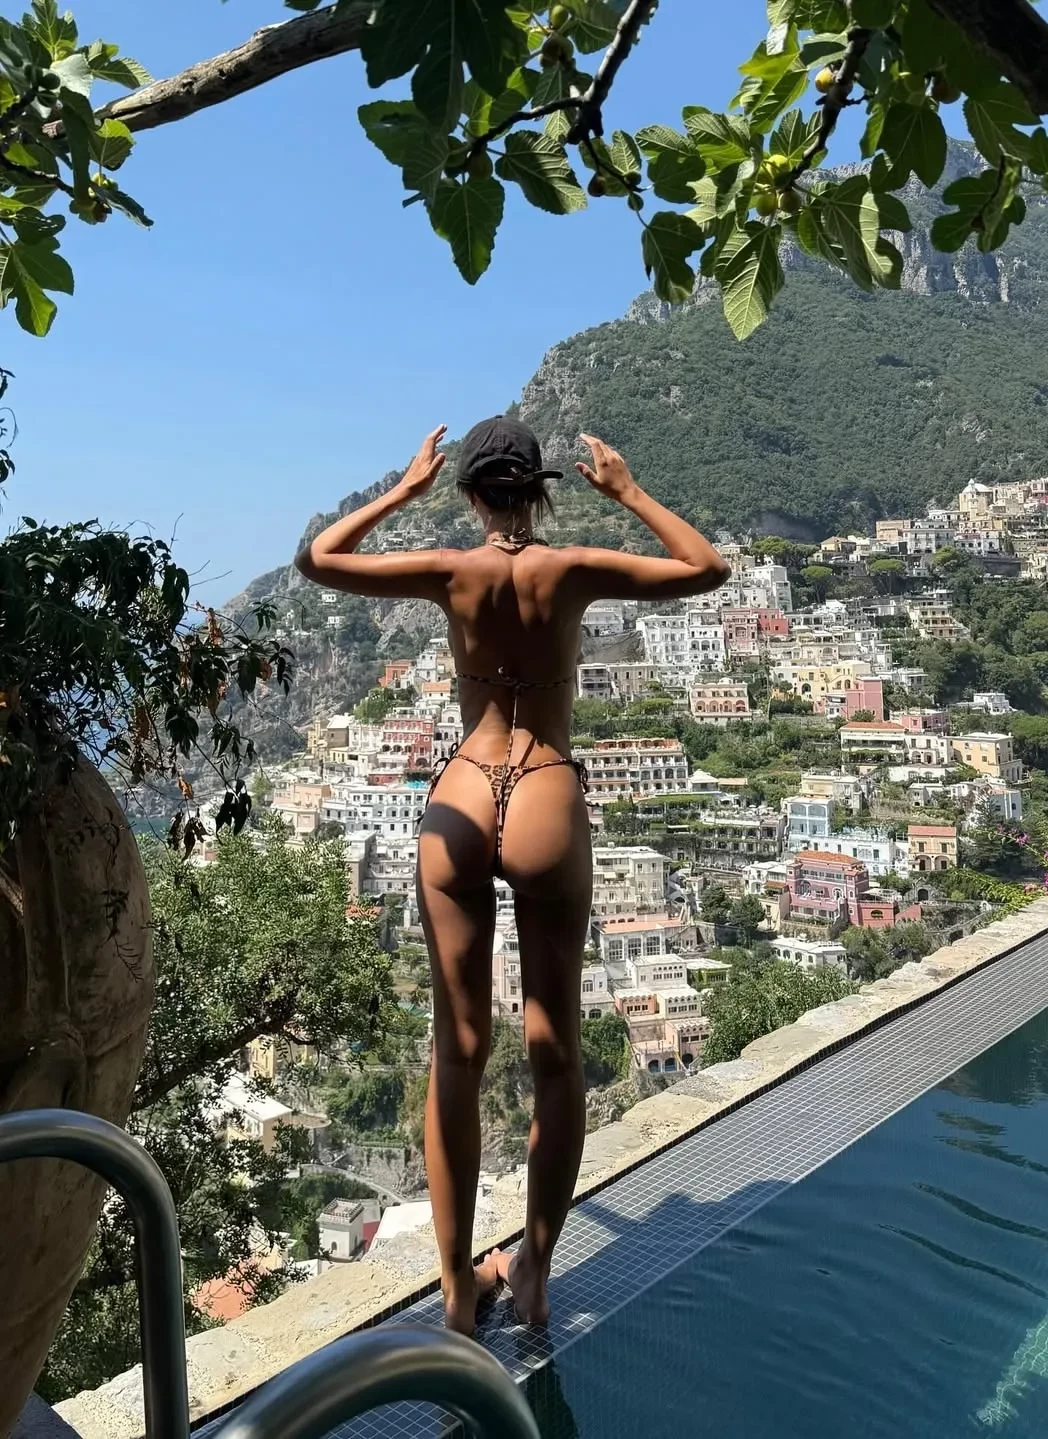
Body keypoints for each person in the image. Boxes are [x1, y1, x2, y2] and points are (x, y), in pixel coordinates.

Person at [296, 417, 729, 1333]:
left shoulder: (452, 572)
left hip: (461, 792)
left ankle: (459, 1292)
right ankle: (532, 1271)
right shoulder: (569, 569)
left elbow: (318, 558)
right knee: (555, 1049)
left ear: (469, 495)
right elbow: (706, 567)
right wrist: (628, 491)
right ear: (538, 492)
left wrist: (403, 491)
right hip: (545, 793)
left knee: (455, 1051)